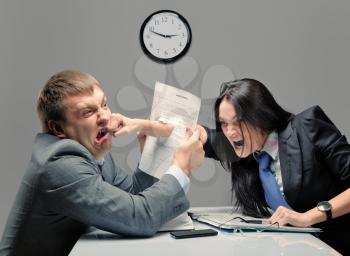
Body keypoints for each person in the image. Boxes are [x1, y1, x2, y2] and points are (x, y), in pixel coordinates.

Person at [0, 70, 205, 256]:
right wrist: (182, 168)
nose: (105, 117)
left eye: (104, 104)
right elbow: (140, 217)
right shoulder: (59, 165)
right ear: (58, 129)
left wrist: (152, 151)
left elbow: (132, 196)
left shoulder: (92, 153)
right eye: (87, 112)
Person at [198, 78, 350, 255]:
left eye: (238, 121)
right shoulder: (247, 149)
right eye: (224, 123)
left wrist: (308, 217)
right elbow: (205, 137)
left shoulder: (308, 126)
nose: (230, 132)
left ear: (260, 116)